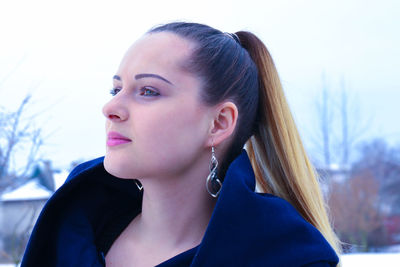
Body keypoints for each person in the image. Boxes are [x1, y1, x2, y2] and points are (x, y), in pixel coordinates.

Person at [21, 22, 340, 266]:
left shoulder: (285, 256)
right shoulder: (65, 234)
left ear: (219, 123)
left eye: (147, 91)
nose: (111, 108)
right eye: (115, 89)